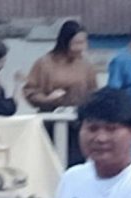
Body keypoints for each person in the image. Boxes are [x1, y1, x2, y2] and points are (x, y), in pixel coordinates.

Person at [25, 20, 98, 167]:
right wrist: (47, 99)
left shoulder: (86, 65)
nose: (81, 48)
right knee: (51, 165)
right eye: (77, 43)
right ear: (65, 42)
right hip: (51, 123)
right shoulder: (45, 63)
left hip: (77, 125)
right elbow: (30, 91)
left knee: (75, 165)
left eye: (84, 42)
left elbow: (94, 92)